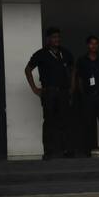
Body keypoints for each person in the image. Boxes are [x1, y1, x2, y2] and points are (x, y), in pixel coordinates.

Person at [25, 27, 74, 160]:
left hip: (63, 92)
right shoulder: (41, 54)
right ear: (47, 39)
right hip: (49, 92)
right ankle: (49, 152)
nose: (56, 39)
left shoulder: (65, 52)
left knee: (65, 121)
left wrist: (72, 88)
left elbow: (73, 68)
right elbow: (28, 69)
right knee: (49, 122)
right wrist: (35, 88)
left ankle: (67, 150)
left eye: (58, 37)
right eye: (53, 37)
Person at [74, 35, 99, 156]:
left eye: (96, 43)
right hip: (88, 96)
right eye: (91, 43)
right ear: (87, 45)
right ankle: (87, 150)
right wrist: (83, 94)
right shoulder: (81, 60)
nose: (94, 46)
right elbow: (79, 78)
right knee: (88, 124)